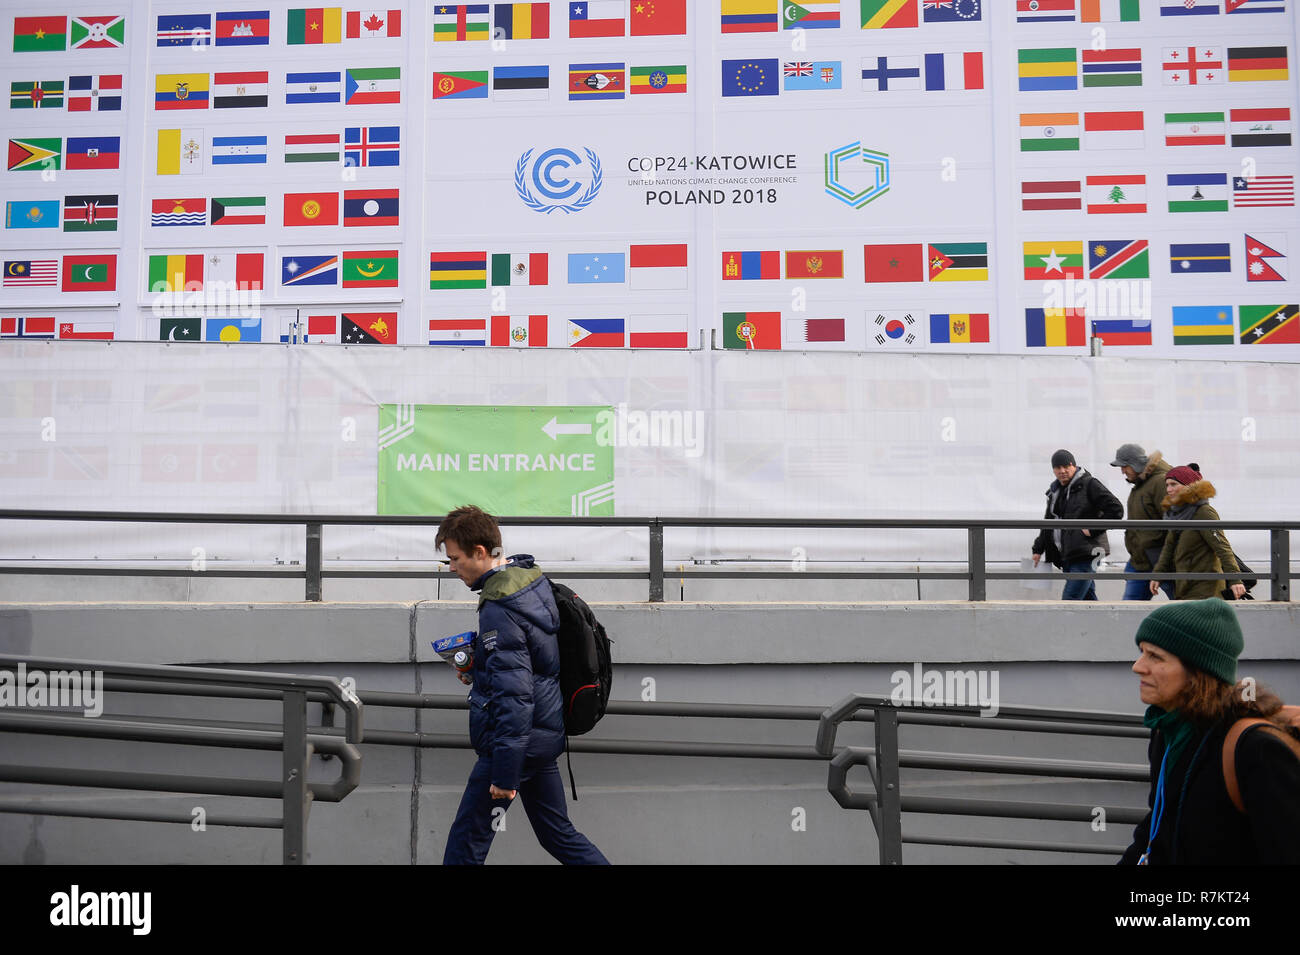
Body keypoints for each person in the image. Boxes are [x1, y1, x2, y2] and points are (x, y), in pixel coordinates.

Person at [436, 505, 609, 865]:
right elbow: (529, 665)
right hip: (540, 738)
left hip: (514, 745)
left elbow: (515, 695)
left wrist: (504, 773)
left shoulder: (500, 606)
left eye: (454, 559)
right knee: (558, 835)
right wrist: (480, 667)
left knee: (466, 843)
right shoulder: (530, 584)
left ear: (479, 552)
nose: (451, 568)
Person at [1119, 599, 1300, 864]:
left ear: (1198, 671)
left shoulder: (1254, 748)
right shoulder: (1168, 730)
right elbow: (1159, 828)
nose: (1137, 666)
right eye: (1142, 652)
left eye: (1155, 656)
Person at [1031, 449, 1124, 600]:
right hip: (1067, 554)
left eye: (1066, 466)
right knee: (1087, 600)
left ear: (1074, 466)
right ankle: (1098, 616)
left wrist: (1092, 529)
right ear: (1053, 470)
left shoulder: (1089, 484)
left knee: (1070, 600)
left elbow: (1116, 509)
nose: (1062, 471)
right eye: (1058, 467)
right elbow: (1049, 522)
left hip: (1087, 553)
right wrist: (1038, 549)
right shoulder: (1054, 491)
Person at [1150, 464, 1245, 601]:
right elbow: (1168, 547)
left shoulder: (1204, 512)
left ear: (1189, 486)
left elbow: (1222, 547)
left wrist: (1235, 579)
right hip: (1184, 585)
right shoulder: (1177, 513)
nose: (1169, 489)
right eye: (1167, 485)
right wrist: (1158, 574)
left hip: (1207, 588)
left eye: (1174, 484)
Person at [1109, 444, 1174, 601]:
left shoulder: (1159, 482)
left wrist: (1165, 560)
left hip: (1160, 559)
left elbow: (1173, 523)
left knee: (1183, 602)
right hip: (1140, 560)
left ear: (1135, 463)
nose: (1122, 471)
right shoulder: (1141, 483)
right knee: (1129, 608)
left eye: (1124, 466)